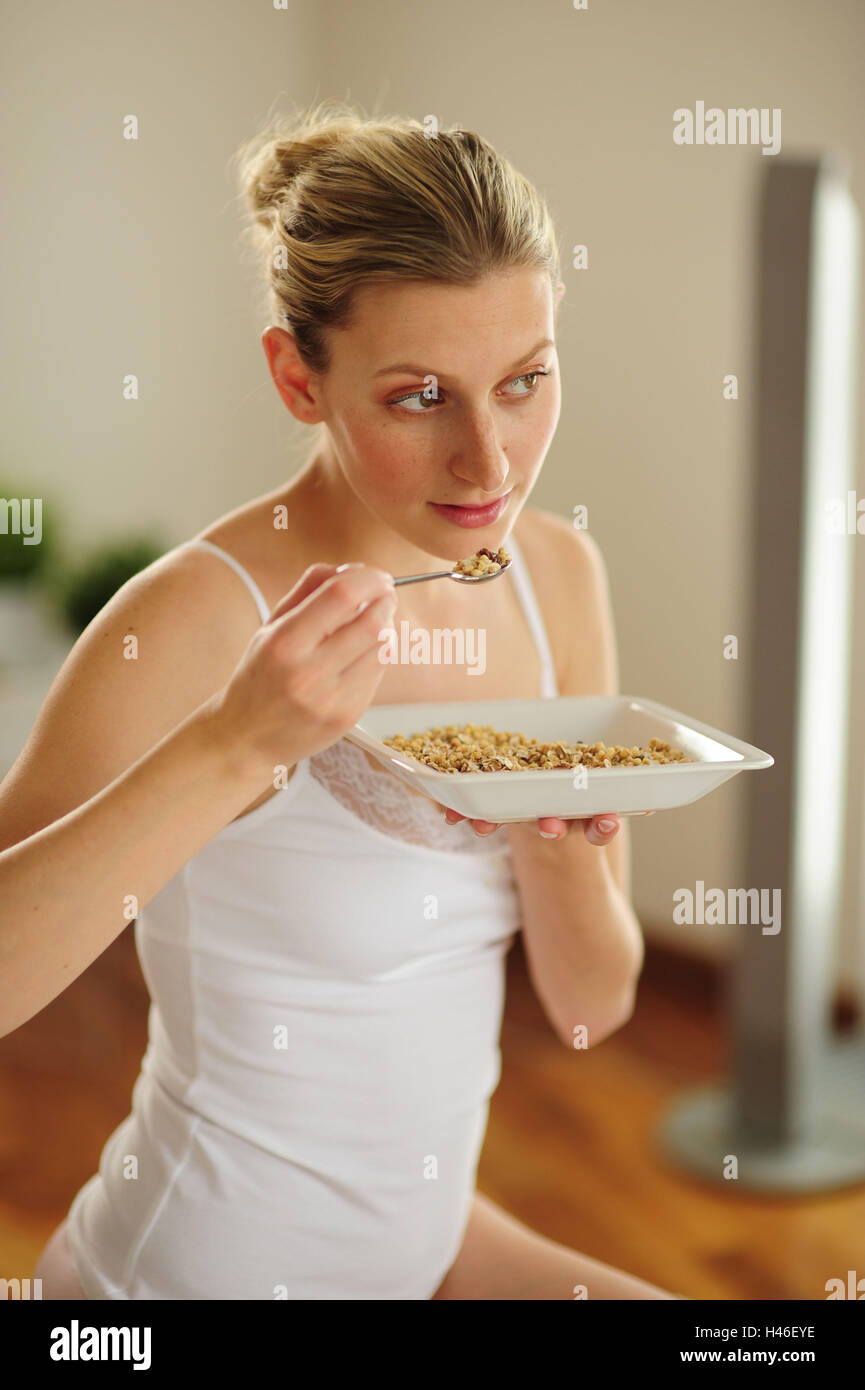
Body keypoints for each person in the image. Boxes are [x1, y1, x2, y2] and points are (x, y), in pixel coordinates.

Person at [3, 103, 677, 1299]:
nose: (491, 463)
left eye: (523, 383)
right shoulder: (193, 617)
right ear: (295, 377)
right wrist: (232, 747)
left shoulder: (554, 580)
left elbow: (593, 1007)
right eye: (421, 396)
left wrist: (561, 841)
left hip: (423, 1246)